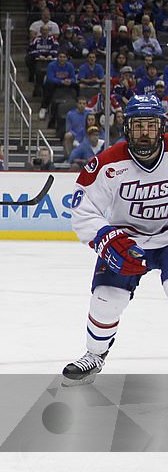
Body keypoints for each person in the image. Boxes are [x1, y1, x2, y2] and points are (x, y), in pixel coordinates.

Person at [63, 95, 168, 384]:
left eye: (151, 125)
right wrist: (106, 239)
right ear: (126, 128)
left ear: (162, 127)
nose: (144, 133)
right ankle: (94, 356)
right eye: (138, 126)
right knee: (107, 299)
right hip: (127, 242)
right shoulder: (107, 164)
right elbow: (83, 210)